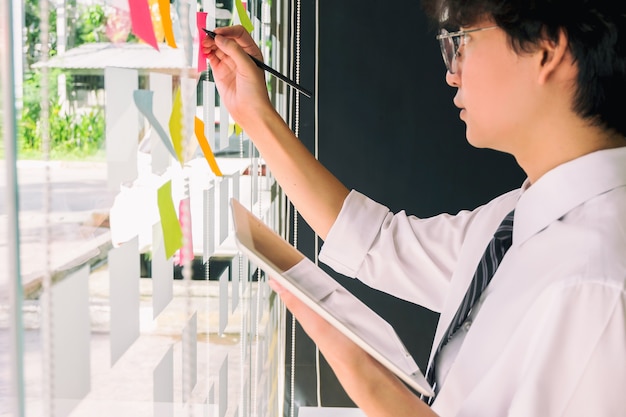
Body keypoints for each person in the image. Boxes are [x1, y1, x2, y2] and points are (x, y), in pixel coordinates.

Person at [201, 0, 626, 415]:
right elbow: (380, 245)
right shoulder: (520, 216)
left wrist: (362, 373)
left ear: (547, 51)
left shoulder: (597, 284)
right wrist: (253, 112)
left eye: (464, 41)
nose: (453, 74)